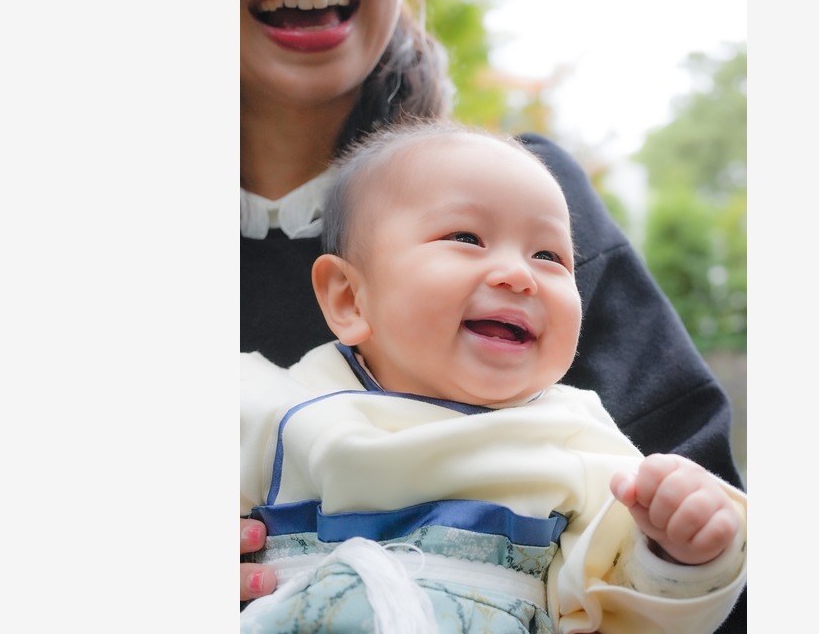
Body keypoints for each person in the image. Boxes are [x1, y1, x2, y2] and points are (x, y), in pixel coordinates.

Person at [239, 0, 747, 628]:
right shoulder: (266, 408)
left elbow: (683, 558)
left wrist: (680, 553)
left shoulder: (572, 422)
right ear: (345, 296)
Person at [240, 122, 747, 634]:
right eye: (466, 238)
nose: (518, 274)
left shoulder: (576, 438)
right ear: (350, 298)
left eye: (548, 256)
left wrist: (677, 554)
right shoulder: (277, 405)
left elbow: (618, 599)